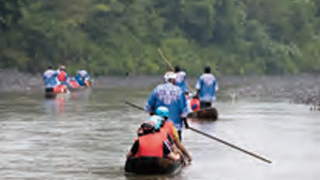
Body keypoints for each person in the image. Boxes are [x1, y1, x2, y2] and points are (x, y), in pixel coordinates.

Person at [145, 71, 189, 141]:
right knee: (177, 147)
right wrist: (186, 124)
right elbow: (184, 112)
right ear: (174, 80)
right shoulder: (179, 91)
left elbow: (149, 109)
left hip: (159, 127)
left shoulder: (157, 90)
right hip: (175, 127)